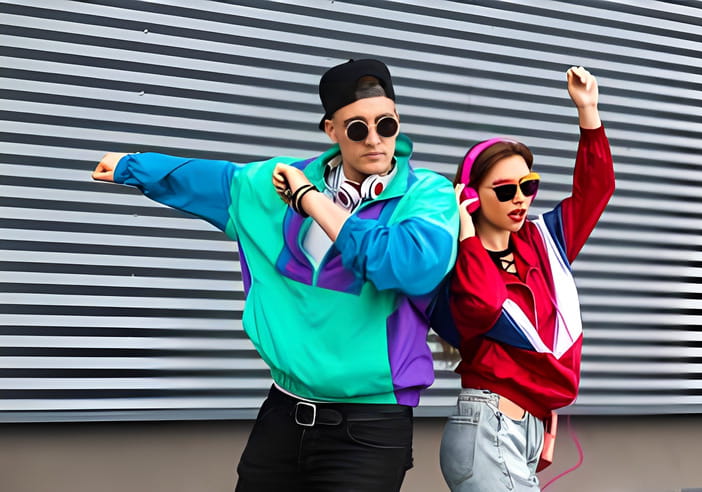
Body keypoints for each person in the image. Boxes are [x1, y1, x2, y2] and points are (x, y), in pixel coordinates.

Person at [91, 58, 459, 492]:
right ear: (332, 131)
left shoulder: (426, 194)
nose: (376, 140)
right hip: (282, 415)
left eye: (387, 125)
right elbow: (218, 180)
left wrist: (312, 200)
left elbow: (410, 266)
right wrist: (134, 166)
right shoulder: (278, 179)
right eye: (358, 128)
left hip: (369, 426)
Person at [430, 66, 615, 492]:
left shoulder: (543, 239)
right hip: (490, 427)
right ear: (472, 195)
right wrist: (467, 235)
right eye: (504, 190)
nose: (520, 200)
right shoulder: (460, 261)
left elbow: (596, 189)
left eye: (528, 187)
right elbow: (487, 304)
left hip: (524, 429)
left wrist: (589, 112)